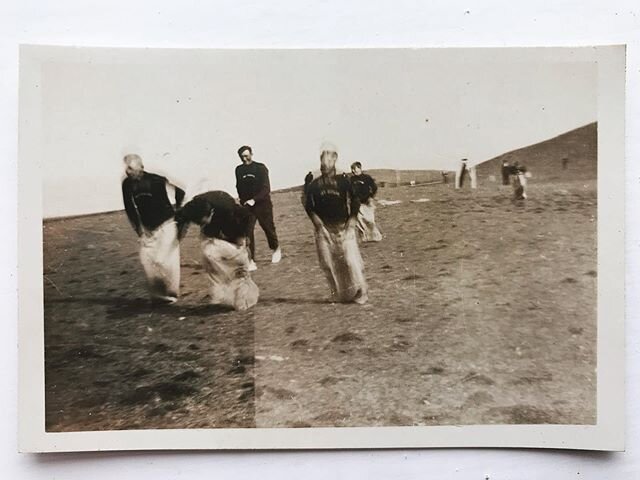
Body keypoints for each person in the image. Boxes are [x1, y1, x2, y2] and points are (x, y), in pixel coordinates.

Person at [303, 143, 368, 304]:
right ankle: (338, 294)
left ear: (335, 160)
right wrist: (317, 222)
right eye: (322, 159)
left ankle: (361, 291)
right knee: (327, 263)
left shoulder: (344, 180)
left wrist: (352, 220)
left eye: (329, 158)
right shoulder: (314, 183)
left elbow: (355, 200)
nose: (325, 163)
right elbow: (308, 204)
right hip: (324, 229)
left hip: (343, 227)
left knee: (350, 260)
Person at [175, 191, 259, 311]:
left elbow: (249, 216)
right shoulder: (190, 209)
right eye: (200, 223)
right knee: (208, 257)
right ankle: (220, 294)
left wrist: (243, 236)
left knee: (237, 264)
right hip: (212, 232)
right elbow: (180, 220)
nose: (203, 223)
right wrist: (176, 240)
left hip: (231, 230)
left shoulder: (226, 206)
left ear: (211, 212)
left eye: (204, 220)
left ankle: (244, 294)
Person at [121, 154, 185, 303]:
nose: (127, 171)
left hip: (167, 224)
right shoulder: (127, 184)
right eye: (126, 167)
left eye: (130, 168)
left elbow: (180, 192)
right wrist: (139, 230)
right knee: (146, 258)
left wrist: (178, 211)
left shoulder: (156, 180)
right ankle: (159, 295)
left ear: (141, 168)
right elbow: (130, 208)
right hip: (148, 228)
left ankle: (171, 294)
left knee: (166, 259)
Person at [235, 145, 281, 271]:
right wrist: (243, 200)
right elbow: (239, 186)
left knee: (268, 228)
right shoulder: (238, 170)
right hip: (247, 206)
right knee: (248, 232)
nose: (244, 159)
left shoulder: (260, 168)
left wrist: (254, 200)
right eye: (242, 157)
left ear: (251, 154)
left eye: (246, 155)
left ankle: (276, 249)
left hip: (263, 204)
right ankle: (251, 260)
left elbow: (266, 188)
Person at [349, 161, 382, 242]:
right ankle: (364, 237)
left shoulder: (366, 178)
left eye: (355, 169)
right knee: (359, 221)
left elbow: (374, 187)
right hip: (356, 203)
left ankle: (376, 236)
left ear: (360, 168)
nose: (354, 171)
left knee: (370, 220)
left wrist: (371, 196)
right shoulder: (351, 179)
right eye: (352, 169)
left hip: (367, 201)